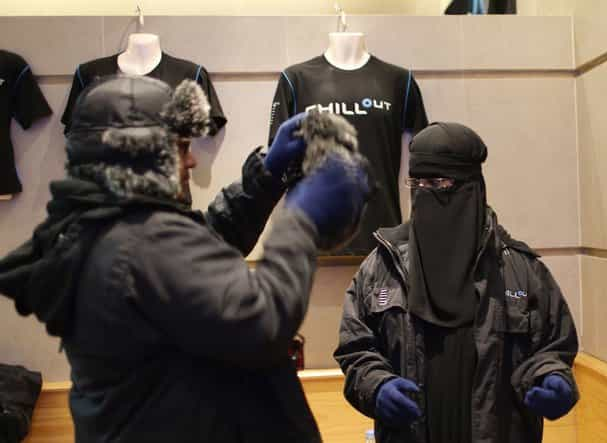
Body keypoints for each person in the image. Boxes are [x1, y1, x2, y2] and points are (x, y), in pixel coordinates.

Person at [0, 76, 372, 443]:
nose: (191, 160)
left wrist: (266, 177)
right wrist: (300, 222)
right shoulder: (141, 244)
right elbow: (262, 322)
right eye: (179, 147)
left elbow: (203, 249)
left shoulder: (105, 229)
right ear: (139, 155)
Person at [334, 122, 579, 443]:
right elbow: (356, 351)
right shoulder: (382, 267)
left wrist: (552, 379)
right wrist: (376, 386)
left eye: (437, 182)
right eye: (416, 182)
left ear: (471, 189)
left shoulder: (520, 270)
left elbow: (552, 349)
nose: (424, 192)